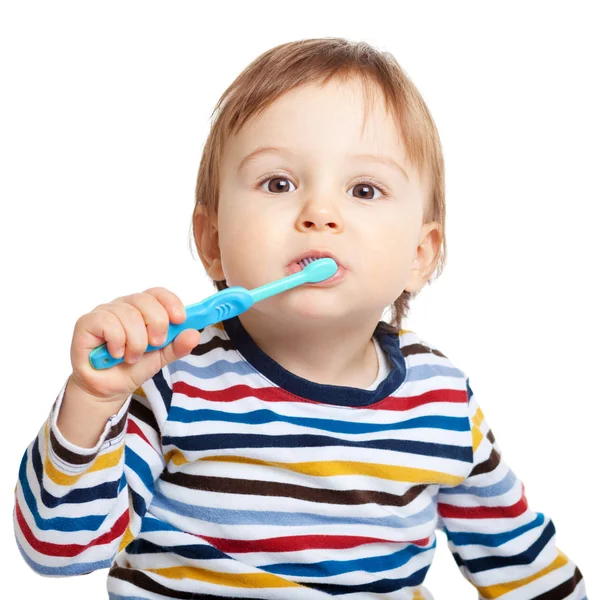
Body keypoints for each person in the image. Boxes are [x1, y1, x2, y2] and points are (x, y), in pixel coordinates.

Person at [13, 37, 587, 600]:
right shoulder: (174, 377)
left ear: (419, 254)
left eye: (364, 189)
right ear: (212, 241)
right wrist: (92, 400)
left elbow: (521, 563)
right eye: (279, 183)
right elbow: (61, 551)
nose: (319, 213)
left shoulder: (442, 402)